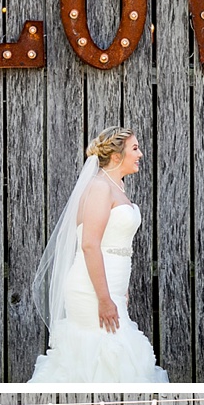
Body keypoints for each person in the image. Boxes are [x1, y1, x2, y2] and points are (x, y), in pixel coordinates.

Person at [29, 127, 167, 383]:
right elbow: (90, 244)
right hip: (90, 292)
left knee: (112, 359)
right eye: (135, 148)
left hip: (110, 288)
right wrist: (104, 298)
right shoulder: (100, 187)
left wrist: (119, 289)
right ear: (116, 156)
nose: (141, 154)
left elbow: (114, 243)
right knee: (100, 357)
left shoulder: (117, 186)